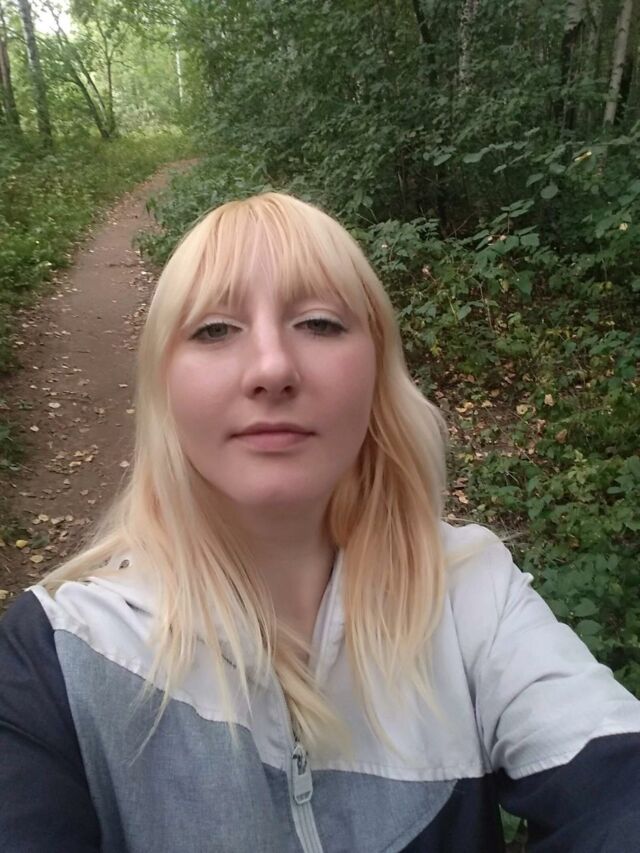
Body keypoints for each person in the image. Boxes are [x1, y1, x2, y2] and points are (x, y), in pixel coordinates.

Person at [1, 192, 639, 853]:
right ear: (163, 386)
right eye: (215, 330)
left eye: (319, 323)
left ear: (378, 372)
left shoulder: (470, 594)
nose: (273, 368)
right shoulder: (59, 655)